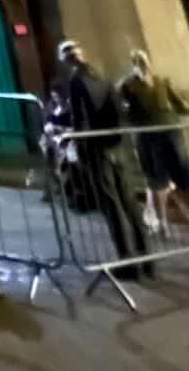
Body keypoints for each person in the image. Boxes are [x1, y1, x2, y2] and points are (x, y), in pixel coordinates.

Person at [60, 39, 150, 277]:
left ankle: (128, 262)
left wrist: (79, 145)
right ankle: (146, 258)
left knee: (112, 205)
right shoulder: (101, 74)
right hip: (116, 145)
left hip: (97, 148)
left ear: (67, 59)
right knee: (128, 200)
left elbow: (79, 118)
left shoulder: (76, 80)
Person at [118, 48, 189, 238]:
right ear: (133, 64)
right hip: (149, 138)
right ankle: (162, 223)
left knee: (181, 178)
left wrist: (185, 108)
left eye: (144, 60)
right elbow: (123, 112)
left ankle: (174, 219)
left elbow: (179, 104)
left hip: (171, 135)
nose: (143, 64)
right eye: (138, 61)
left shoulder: (161, 81)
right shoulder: (127, 86)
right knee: (158, 182)